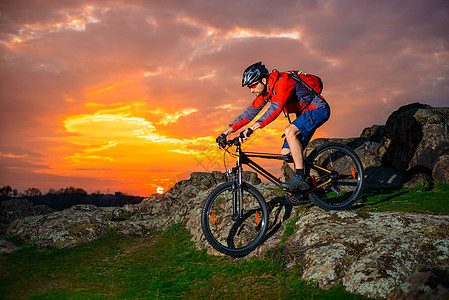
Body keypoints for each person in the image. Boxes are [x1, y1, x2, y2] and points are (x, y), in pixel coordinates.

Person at [216, 61, 330, 190]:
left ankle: (301, 178)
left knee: (290, 131)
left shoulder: (283, 82)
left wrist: (252, 129)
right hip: (304, 115)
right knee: (286, 153)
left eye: (253, 85)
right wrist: (225, 133)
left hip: (318, 110)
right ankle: (310, 188)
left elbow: (276, 108)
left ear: (263, 80)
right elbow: (249, 113)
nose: (252, 90)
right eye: (249, 87)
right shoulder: (267, 92)